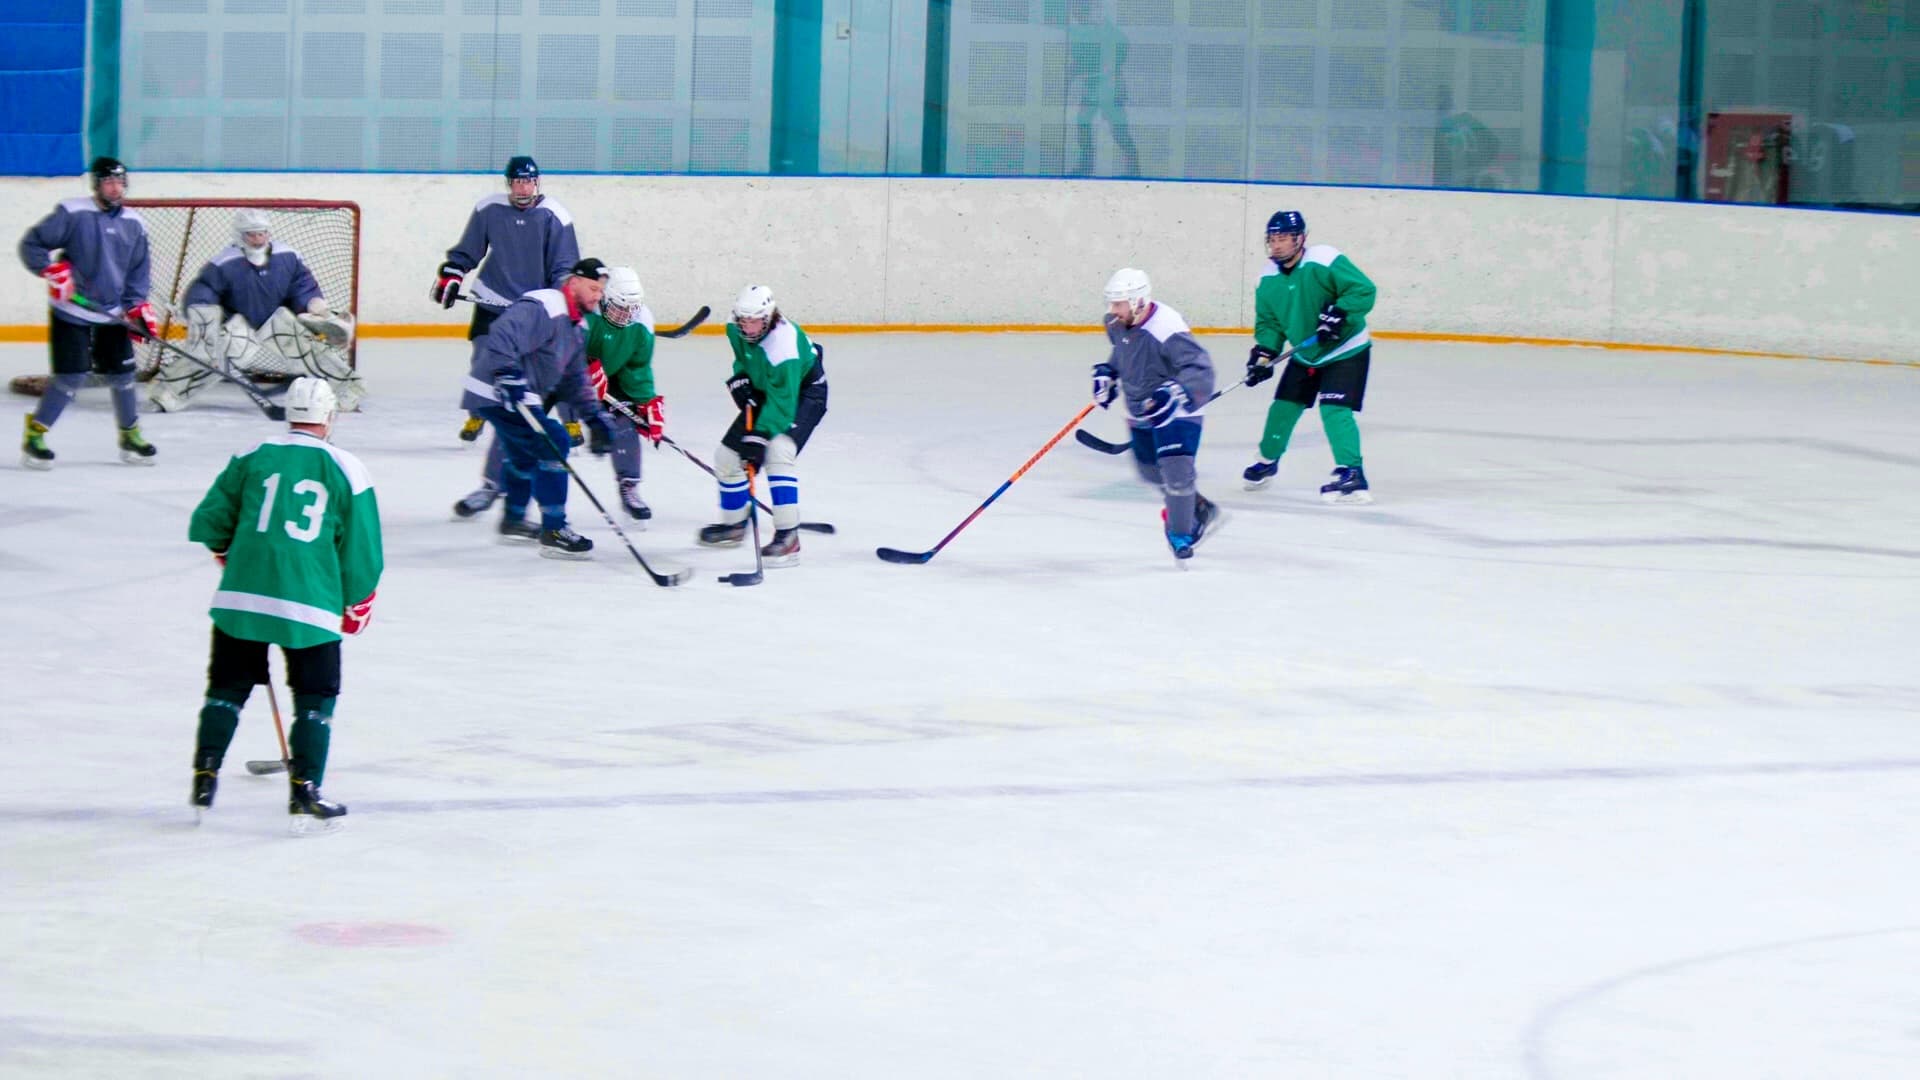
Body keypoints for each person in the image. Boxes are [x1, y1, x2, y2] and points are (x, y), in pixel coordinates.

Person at [186, 376, 382, 829]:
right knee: (316, 697)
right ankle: (305, 790)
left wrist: (228, 553)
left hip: (242, 598)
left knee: (226, 689)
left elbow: (210, 521)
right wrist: (357, 605)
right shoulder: (346, 467)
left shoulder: (252, 456)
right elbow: (362, 551)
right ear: (329, 418)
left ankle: (204, 776)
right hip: (310, 606)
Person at [433, 155, 581, 509]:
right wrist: (452, 275)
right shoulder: (489, 209)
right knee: (485, 369)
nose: (522, 189)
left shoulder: (555, 216)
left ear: (538, 183)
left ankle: (561, 426)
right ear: (507, 183)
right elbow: (467, 251)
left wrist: (565, 302)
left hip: (530, 313)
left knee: (526, 392)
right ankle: (480, 415)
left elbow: (563, 268)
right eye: (516, 182)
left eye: (528, 182)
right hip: (491, 302)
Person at [458, 258, 612, 559]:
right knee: (554, 440)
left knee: (524, 454)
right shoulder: (546, 305)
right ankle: (554, 528)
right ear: (574, 282)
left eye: (602, 292)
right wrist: (506, 374)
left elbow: (574, 377)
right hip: (496, 390)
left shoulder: (577, 325)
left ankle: (514, 519)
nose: (598, 296)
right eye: (593, 288)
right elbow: (503, 332)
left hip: (516, 393)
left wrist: (593, 417)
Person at [17, 156, 159, 469]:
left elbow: (138, 270)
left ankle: (130, 435)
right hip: (72, 310)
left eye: (120, 181)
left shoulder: (135, 222)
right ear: (97, 184)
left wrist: (137, 306)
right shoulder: (73, 212)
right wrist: (52, 271)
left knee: (123, 375)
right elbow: (32, 244)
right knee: (71, 377)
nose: (115, 187)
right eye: (108, 181)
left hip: (111, 313)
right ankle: (36, 434)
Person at [150, 208, 360, 412]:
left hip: (276, 320)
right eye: (252, 235)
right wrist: (201, 311)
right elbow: (205, 289)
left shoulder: (287, 256)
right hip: (238, 324)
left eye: (262, 233)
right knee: (209, 356)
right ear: (240, 235)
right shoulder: (224, 263)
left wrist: (311, 303)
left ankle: (346, 389)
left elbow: (301, 283)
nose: (259, 240)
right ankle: (168, 392)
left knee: (309, 350)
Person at [1242, 210, 1378, 504]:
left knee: (1334, 409)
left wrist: (1339, 314)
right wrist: (1264, 354)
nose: (1276, 245)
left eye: (1283, 238)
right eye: (1272, 239)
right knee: (1283, 408)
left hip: (1346, 348)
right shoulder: (1266, 279)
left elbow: (1363, 290)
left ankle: (1352, 473)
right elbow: (1269, 323)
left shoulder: (1324, 259)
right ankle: (1267, 460)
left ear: (1300, 239)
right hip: (1306, 353)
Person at [1092, 267, 1221, 559]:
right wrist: (1108, 374)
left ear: (1138, 301)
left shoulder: (1167, 328)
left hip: (1178, 410)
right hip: (1140, 407)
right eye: (1111, 303)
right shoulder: (1115, 322)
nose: (1112, 310)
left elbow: (1200, 370)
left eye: (1119, 303)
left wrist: (1175, 393)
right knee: (1149, 471)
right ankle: (1195, 505)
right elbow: (1124, 351)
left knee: (1177, 475)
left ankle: (1181, 532)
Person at [696, 285, 828, 566]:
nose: (747, 326)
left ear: (768, 318)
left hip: (803, 393)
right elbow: (744, 362)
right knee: (727, 457)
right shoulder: (736, 331)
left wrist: (758, 439)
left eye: (754, 320)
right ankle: (733, 526)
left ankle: (788, 538)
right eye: (742, 319)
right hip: (771, 388)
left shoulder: (784, 348)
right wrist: (741, 381)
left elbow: (782, 405)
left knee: (778, 451)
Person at [583, 266, 662, 522]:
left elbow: (637, 367)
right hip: (571, 376)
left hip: (611, 375)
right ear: (604, 298)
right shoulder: (587, 313)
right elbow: (562, 351)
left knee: (624, 422)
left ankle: (629, 485)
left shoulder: (641, 322)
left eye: (631, 308)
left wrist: (646, 402)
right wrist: (584, 370)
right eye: (619, 307)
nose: (626, 315)